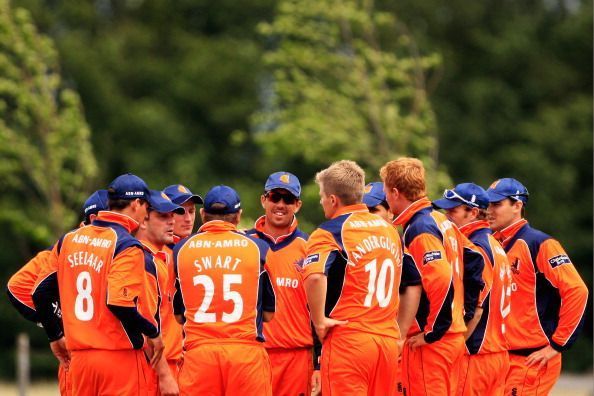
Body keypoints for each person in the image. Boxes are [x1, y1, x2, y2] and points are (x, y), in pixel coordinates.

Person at [33, 173, 165, 396]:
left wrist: (55, 335)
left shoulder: (69, 239)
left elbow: (40, 292)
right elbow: (119, 303)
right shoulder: (126, 245)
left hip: (81, 362)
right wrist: (153, 332)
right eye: (147, 206)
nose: (147, 213)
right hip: (118, 361)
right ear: (136, 204)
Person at [380, 158, 483, 396]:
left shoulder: (420, 227)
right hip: (451, 336)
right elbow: (474, 258)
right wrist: (464, 314)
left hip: (435, 343)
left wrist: (434, 331)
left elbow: (441, 278)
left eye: (386, 191)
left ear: (395, 192)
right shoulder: (439, 219)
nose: (385, 198)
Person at [302, 160, 403, 396]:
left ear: (333, 199)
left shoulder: (329, 231)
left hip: (351, 340)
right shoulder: (390, 231)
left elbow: (315, 277)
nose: (320, 201)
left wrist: (319, 321)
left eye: (322, 195)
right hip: (386, 341)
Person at [486, 178, 588, 395]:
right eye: (487, 205)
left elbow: (577, 290)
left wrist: (557, 345)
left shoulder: (539, 243)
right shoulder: (492, 243)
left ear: (517, 205)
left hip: (530, 359)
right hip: (501, 358)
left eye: (496, 204)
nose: (489, 211)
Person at [173, 185, 276, 396]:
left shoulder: (181, 249)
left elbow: (178, 315)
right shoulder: (259, 249)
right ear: (238, 216)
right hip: (245, 356)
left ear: (203, 215)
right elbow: (268, 314)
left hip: (199, 356)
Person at [7, 189, 108, 396]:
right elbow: (17, 288)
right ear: (94, 218)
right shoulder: (67, 247)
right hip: (83, 355)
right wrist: (58, 325)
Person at [245, 171, 319, 395]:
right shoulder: (244, 243)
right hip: (253, 353)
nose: (280, 204)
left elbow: (320, 308)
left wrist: (319, 364)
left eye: (288, 199)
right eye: (275, 197)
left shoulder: (311, 246)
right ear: (263, 200)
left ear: (297, 205)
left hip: (296, 356)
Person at [433, 183, 511, 395]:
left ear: (474, 212)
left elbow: (476, 310)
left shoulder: (475, 247)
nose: (446, 216)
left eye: (453, 210)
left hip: (476, 355)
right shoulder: (494, 243)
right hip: (497, 354)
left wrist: (453, 350)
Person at [136, 191, 185, 396]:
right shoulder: (140, 260)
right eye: (163, 216)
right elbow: (143, 324)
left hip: (172, 364)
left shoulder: (164, 258)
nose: (172, 222)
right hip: (153, 369)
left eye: (173, 215)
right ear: (144, 221)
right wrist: (164, 375)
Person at [162, 184, 203, 376]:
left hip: (193, 355)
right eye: (180, 212)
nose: (188, 218)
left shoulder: (199, 250)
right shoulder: (158, 253)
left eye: (191, 211)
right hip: (163, 355)